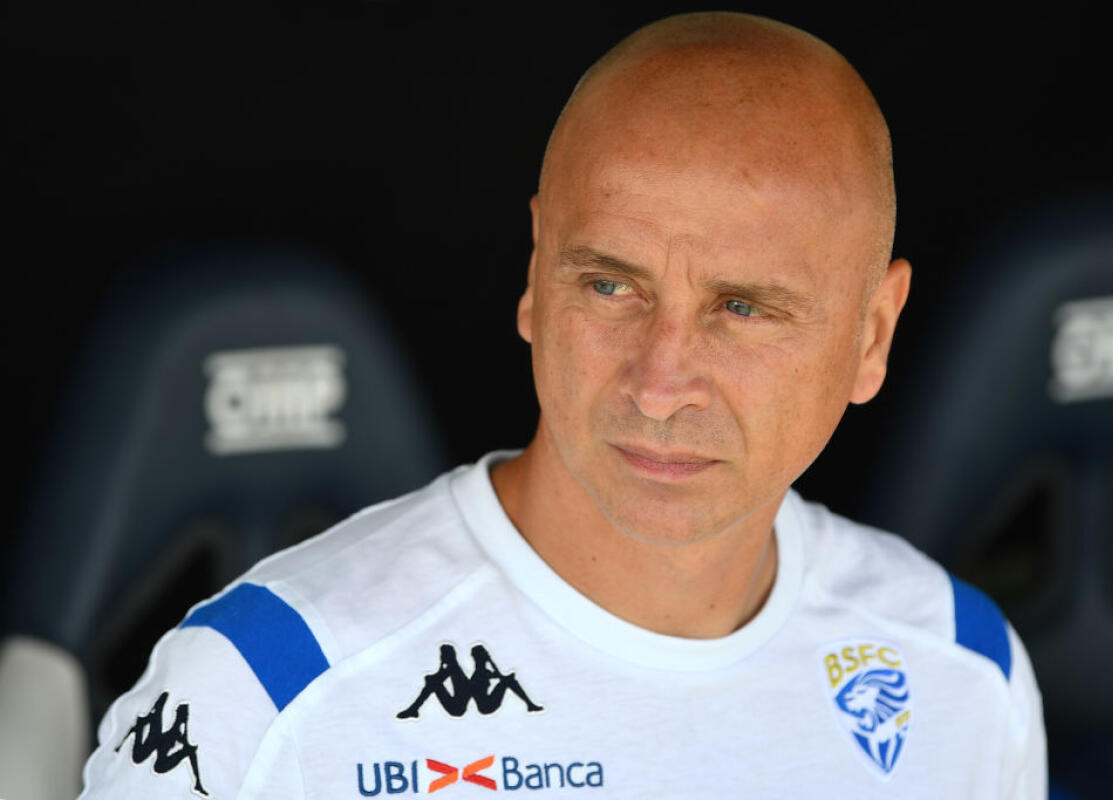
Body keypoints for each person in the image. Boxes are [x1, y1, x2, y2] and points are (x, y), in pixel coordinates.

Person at [79, 11, 1046, 798]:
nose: (660, 385)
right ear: (537, 274)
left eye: (742, 309)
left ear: (872, 335)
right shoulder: (264, 685)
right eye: (610, 287)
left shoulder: (963, 669)